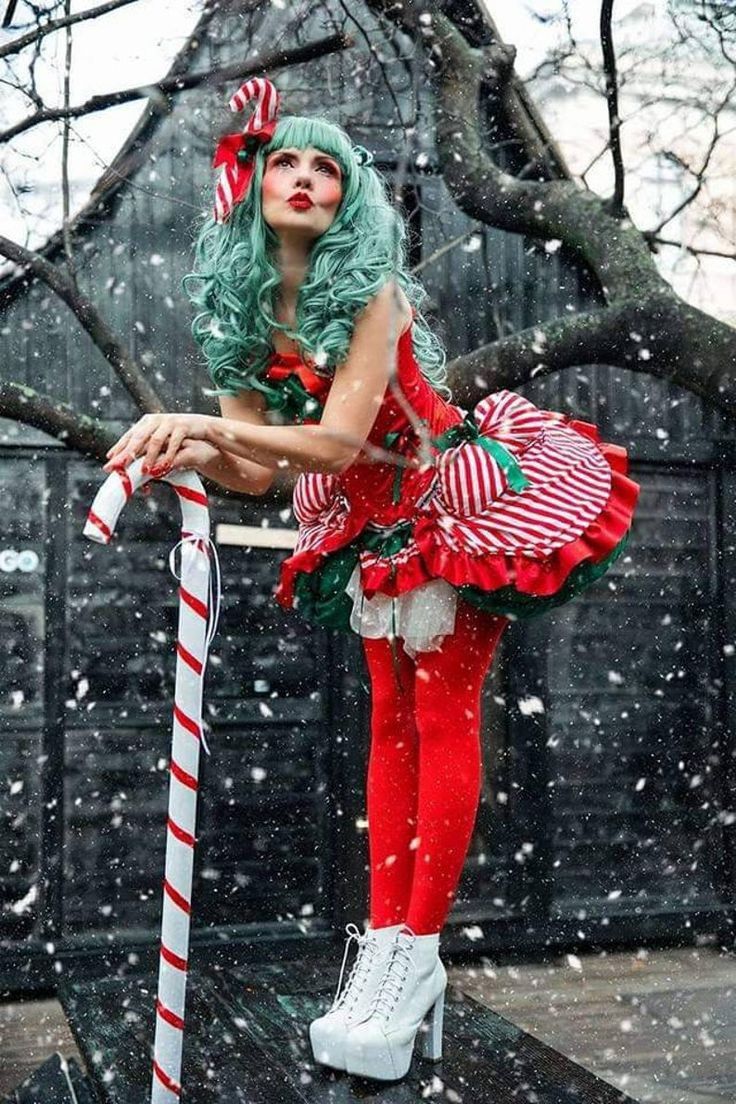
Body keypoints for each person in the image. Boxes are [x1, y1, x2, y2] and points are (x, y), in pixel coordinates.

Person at [103, 78, 641, 1082]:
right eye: (287, 163)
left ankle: (416, 952)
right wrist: (194, 451)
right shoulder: (244, 319)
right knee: (387, 723)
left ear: (349, 198)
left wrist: (205, 423)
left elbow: (341, 435)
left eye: (326, 168)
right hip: (367, 520)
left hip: (448, 495)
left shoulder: (373, 299)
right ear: (253, 186)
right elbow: (263, 470)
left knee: (442, 716)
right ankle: (382, 942)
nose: (305, 179)